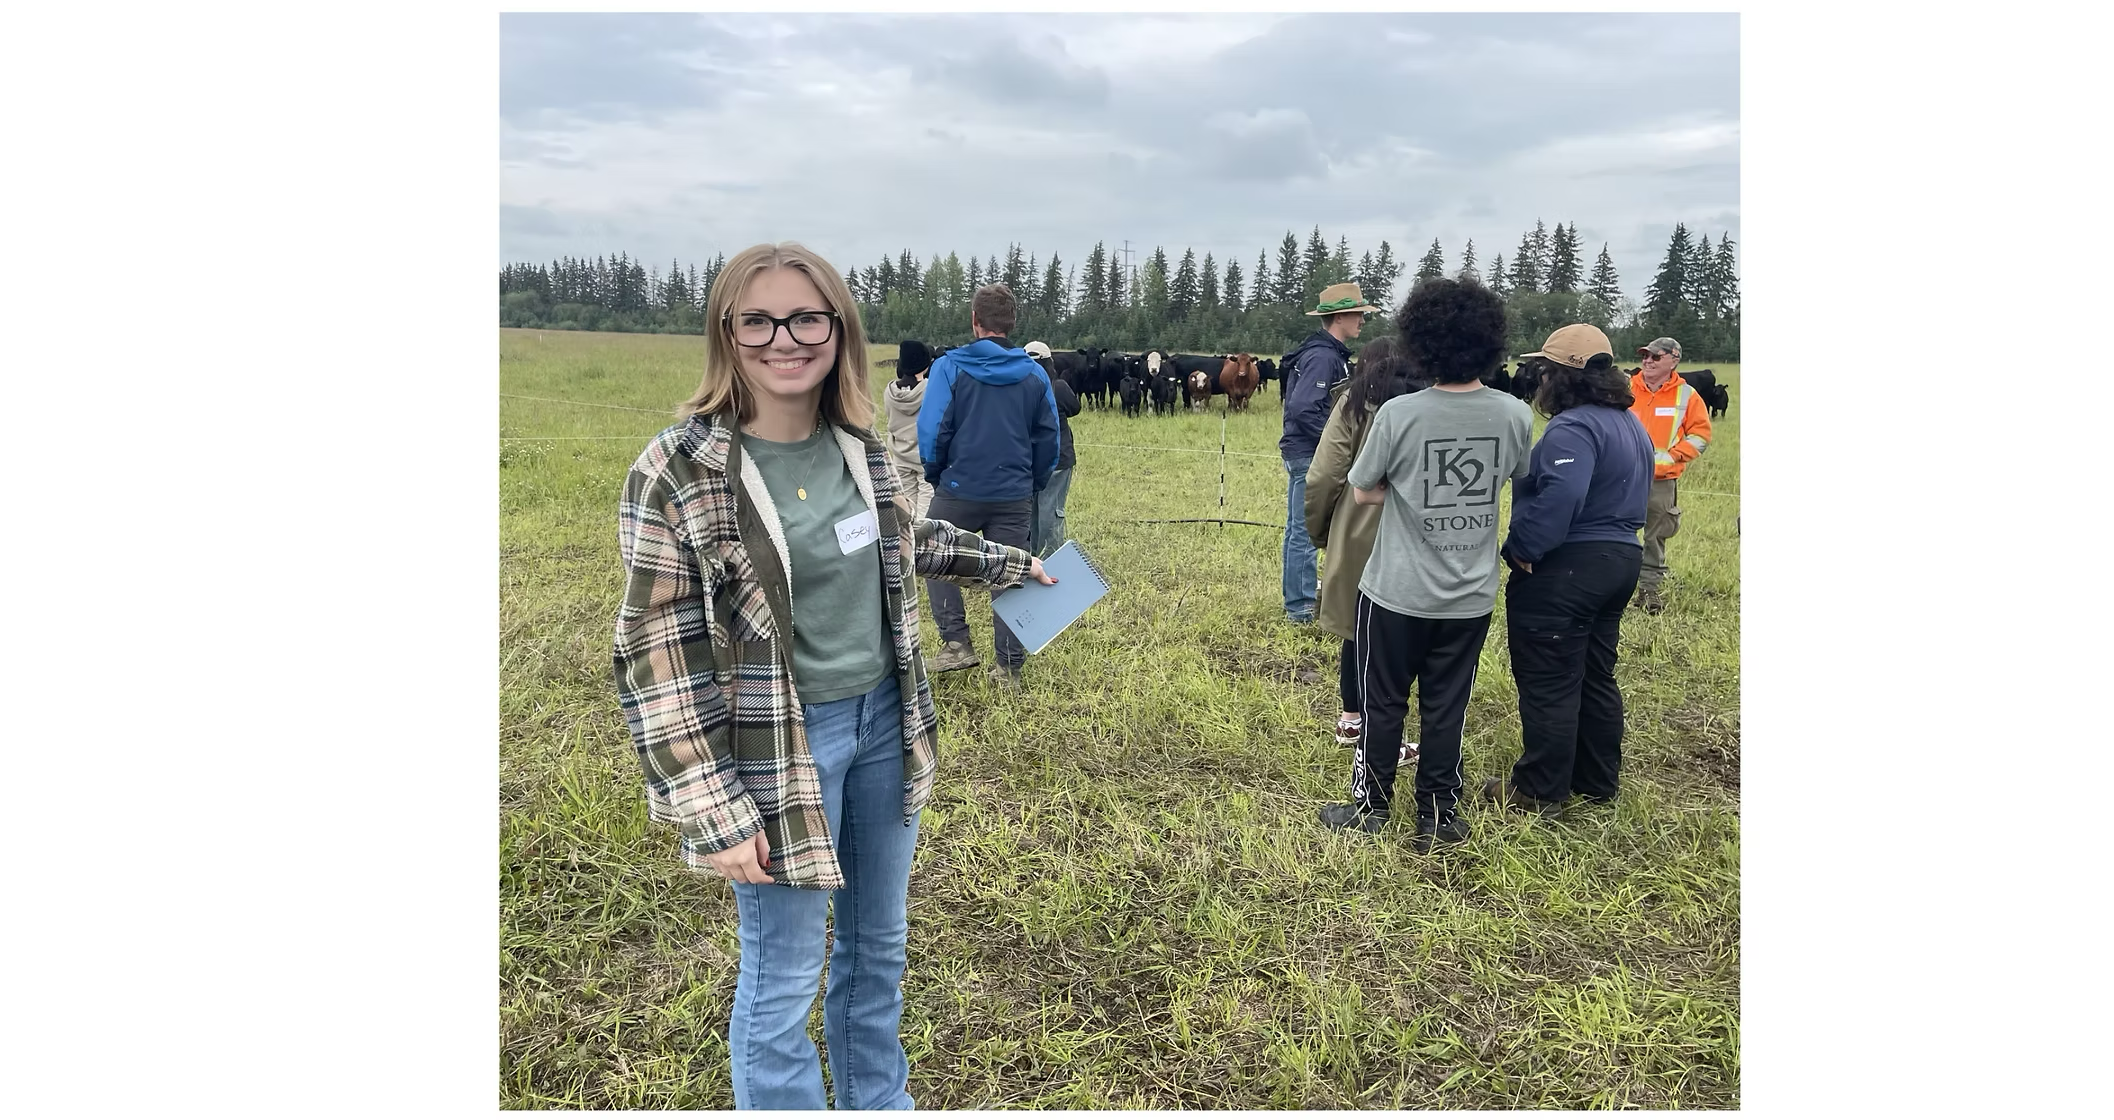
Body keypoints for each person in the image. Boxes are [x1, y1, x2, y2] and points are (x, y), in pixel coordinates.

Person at [612, 242, 1056, 1110]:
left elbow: (905, 537)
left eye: (807, 317)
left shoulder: (856, 445)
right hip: (779, 744)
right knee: (781, 981)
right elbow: (652, 655)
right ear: (727, 334)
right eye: (760, 319)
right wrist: (712, 808)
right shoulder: (678, 470)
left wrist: (1002, 562)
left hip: (886, 725)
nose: (786, 338)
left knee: (877, 949)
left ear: (839, 331)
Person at [1316, 278, 1533, 852]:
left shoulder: (1397, 413)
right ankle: (1437, 813)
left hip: (1393, 590)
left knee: (1381, 697)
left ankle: (1370, 806)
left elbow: (1361, 492)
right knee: (1448, 703)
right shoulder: (1514, 415)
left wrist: (1407, 490)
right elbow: (1517, 480)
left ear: (1422, 340)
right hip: (1470, 595)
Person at [1483, 324, 1655, 814]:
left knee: (1550, 680)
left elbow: (1563, 493)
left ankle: (1540, 790)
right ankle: (1596, 780)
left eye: (1544, 370)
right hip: (1621, 559)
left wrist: (1523, 546)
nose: (1537, 380)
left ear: (1563, 376)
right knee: (1596, 674)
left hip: (1569, 568)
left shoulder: (1574, 427)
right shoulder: (1629, 422)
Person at [916, 283, 1061, 688]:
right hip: (1013, 493)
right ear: (1012, 323)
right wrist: (1032, 482)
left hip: (958, 488)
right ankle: (1009, 669)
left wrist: (936, 472)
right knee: (1011, 574)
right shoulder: (1034, 373)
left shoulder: (949, 367)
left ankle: (957, 644)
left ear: (975, 322)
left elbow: (931, 430)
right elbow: (1049, 437)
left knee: (934, 555)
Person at [1304, 336, 1429, 761]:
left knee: (1357, 628)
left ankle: (1352, 718)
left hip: (1355, 530)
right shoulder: (1425, 405)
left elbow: (1323, 476)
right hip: (1407, 534)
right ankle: (1384, 738)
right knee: (1392, 636)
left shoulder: (1352, 405)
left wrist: (1323, 531)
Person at [1279, 281, 1380, 623]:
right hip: (1309, 452)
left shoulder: (1324, 352)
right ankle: (1301, 608)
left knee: (1300, 529)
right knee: (1304, 531)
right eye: (1358, 314)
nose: (1362, 321)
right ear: (1340, 318)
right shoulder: (1323, 357)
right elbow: (1303, 408)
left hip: (1304, 450)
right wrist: (1335, 444)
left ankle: (1303, 600)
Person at [1626, 336, 1713, 614]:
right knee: (1614, 533)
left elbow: (1701, 435)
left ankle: (1649, 591)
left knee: (1654, 536)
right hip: (1622, 477)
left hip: (1661, 480)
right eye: (1645, 356)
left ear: (1674, 360)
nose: (1647, 361)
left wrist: (1674, 457)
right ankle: (1613, 589)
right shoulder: (1625, 389)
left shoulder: (1687, 395)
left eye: (1655, 356)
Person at [1025, 340, 1079, 557]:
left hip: (1028, 459)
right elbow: (1075, 408)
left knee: (1030, 510)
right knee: (1050, 510)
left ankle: (1029, 557)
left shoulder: (1018, 387)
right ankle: (1052, 559)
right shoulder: (1058, 386)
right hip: (1058, 457)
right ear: (1049, 361)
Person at [882, 340, 934, 519]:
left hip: (900, 456)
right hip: (924, 458)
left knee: (906, 510)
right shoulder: (929, 389)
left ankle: (908, 542)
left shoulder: (889, 392)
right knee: (925, 512)